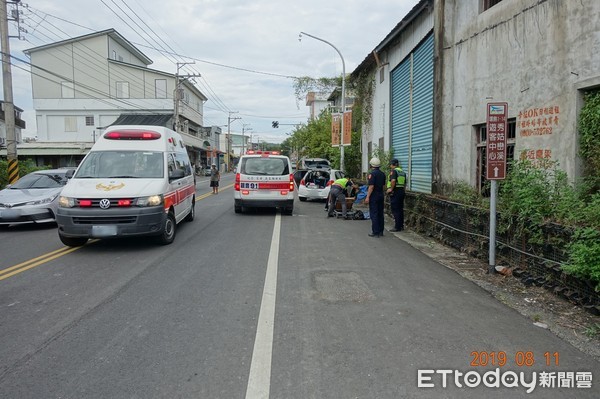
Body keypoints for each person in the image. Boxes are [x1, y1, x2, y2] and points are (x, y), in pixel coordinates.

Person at [364, 157, 386, 237]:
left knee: (374, 213)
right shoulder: (383, 174)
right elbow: (384, 186)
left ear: (371, 165)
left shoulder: (372, 174)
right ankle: (381, 231)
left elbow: (371, 186)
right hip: (381, 195)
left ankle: (375, 231)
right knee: (380, 213)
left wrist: (367, 197)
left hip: (374, 196)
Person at [386, 158, 407, 232]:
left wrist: (391, 189)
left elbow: (393, 181)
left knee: (395, 209)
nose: (390, 166)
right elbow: (404, 183)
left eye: (391, 164)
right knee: (400, 209)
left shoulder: (394, 171)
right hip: (401, 191)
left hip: (395, 191)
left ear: (393, 164)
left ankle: (397, 227)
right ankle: (401, 226)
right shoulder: (402, 172)